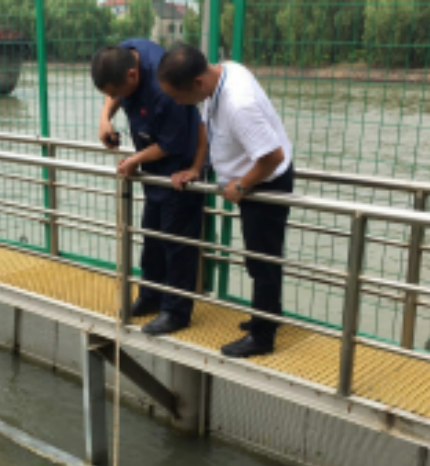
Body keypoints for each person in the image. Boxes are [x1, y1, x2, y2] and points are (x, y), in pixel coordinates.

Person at [157, 43, 294, 358]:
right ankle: (268, 314)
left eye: (178, 97)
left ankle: (263, 336)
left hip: (265, 182)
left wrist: (242, 186)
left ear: (197, 83)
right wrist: (196, 167)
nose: (177, 103)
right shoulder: (221, 74)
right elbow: (206, 126)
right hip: (252, 178)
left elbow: (272, 156)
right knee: (258, 258)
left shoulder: (238, 103)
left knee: (263, 260)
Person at [91, 40, 208, 336]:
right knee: (152, 235)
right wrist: (105, 118)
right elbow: (113, 92)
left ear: (133, 75)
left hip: (179, 168)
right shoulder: (123, 55)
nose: (116, 98)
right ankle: (151, 296)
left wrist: (134, 160)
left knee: (177, 242)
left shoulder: (164, 90)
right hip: (152, 167)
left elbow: (172, 143)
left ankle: (176, 311)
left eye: (119, 93)